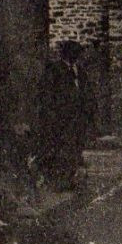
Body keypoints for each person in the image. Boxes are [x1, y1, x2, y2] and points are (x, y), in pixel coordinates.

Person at [40, 41, 91, 191]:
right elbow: (48, 94)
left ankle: (72, 178)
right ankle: (61, 181)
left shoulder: (80, 71)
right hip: (61, 118)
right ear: (67, 54)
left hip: (77, 118)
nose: (77, 56)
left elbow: (86, 92)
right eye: (74, 53)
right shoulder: (55, 70)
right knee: (61, 149)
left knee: (75, 148)